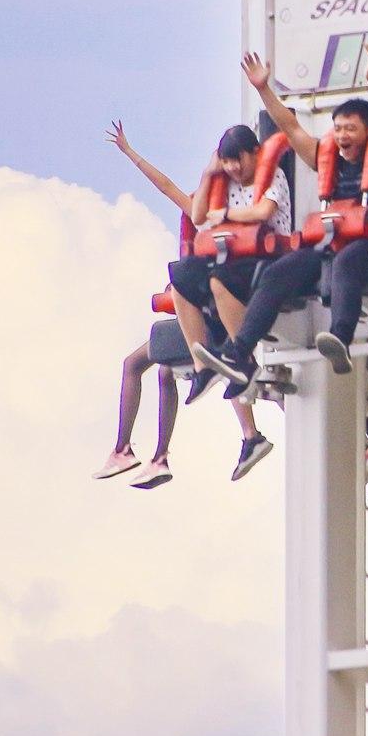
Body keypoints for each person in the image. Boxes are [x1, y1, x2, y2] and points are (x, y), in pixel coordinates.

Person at [197, 46, 368, 394]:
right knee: (280, 270)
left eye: (351, 129)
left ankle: (340, 337)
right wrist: (264, 90)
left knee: (347, 260)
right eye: (338, 129)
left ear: (367, 131)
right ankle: (239, 352)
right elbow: (290, 126)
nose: (342, 136)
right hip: (329, 243)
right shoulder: (328, 158)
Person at [98, 122, 272, 486]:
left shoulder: (230, 209)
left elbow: (170, 189)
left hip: (216, 308)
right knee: (158, 366)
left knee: (156, 365)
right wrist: (131, 153)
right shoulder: (206, 208)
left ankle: (148, 453)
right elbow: (166, 187)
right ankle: (146, 454)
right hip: (203, 306)